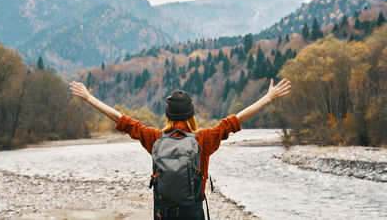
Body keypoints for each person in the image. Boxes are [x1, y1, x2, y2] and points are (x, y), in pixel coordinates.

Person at [69, 78, 291, 219]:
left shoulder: (155, 138)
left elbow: (122, 120)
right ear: (191, 114)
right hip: (192, 211)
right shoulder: (203, 139)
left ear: (167, 114)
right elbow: (234, 120)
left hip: (163, 211)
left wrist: (89, 98)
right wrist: (268, 98)